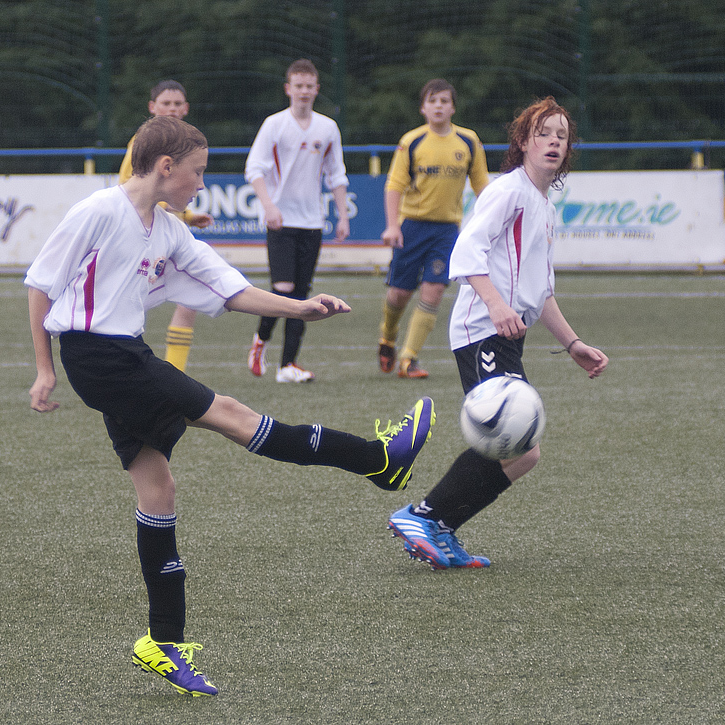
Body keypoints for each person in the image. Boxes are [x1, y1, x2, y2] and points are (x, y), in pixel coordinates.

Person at [25, 115, 435, 696]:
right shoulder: (98, 211)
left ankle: (161, 644)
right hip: (99, 358)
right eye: (197, 172)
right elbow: (41, 285)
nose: (200, 183)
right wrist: (44, 369)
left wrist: (300, 309)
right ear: (165, 167)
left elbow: (231, 287)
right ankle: (378, 460)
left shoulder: (167, 231)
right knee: (236, 416)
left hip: (123, 356)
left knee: (157, 489)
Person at [387, 97, 608, 570]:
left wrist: (573, 344)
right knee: (515, 442)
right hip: (481, 330)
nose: (552, 141)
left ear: (568, 150)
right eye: (543, 133)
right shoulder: (508, 190)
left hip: (506, 332)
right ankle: (423, 516)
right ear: (524, 142)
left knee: (524, 453)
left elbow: (541, 292)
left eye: (561, 135)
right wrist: (495, 304)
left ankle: (438, 526)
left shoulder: (543, 207)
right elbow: (466, 252)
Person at [245, 59, 350, 383]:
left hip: (312, 222)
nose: (304, 91)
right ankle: (261, 339)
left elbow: (336, 174)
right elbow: (254, 168)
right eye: (298, 85)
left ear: (316, 89)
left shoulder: (327, 127)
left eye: (309, 86)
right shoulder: (274, 124)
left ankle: (288, 365)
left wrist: (342, 215)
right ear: (288, 89)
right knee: (283, 288)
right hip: (281, 222)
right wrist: (269, 207)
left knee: (302, 294)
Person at [378, 79, 490, 379]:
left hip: (447, 231)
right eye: (433, 101)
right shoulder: (412, 141)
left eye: (444, 101)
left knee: (435, 289)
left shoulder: (468, 141)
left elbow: (482, 186)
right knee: (399, 294)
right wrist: (392, 225)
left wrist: (493, 221)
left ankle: (408, 358)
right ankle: (388, 336)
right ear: (423, 108)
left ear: (452, 107)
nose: (438, 106)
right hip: (411, 227)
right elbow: (394, 185)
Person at [119, 80, 214, 372]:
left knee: (191, 296)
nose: (172, 109)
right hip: (141, 234)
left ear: (185, 109)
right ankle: (124, 362)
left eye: (177, 104)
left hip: (168, 233)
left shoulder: (186, 145)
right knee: (128, 302)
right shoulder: (142, 143)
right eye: (165, 104)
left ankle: (175, 372)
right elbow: (129, 188)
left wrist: (186, 216)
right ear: (152, 108)